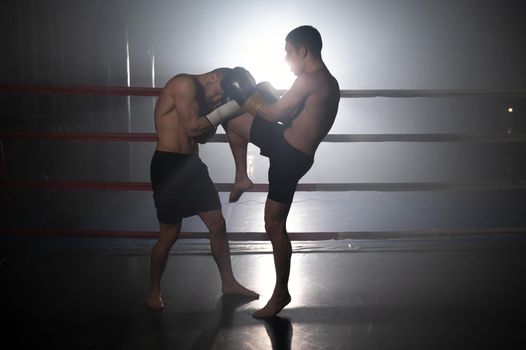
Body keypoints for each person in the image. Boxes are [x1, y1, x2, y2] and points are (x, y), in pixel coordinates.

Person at [220, 25, 341, 318]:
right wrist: (263, 97)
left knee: (273, 225)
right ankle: (241, 176)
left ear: (302, 51)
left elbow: (275, 114)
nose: (286, 58)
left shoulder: (308, 80)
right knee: (234, 121)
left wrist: (249, 95)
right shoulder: (328, 81)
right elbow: (288, 114)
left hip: (288, 154)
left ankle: (281, 293)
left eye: (288, 51)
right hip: (289, 147)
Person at [146, 67, 259, 311]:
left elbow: (202, 138)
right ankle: (153, 291)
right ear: (213, 77)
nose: (219, 98)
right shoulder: (183, 84)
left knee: (217, 224)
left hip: (191, 165)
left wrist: (220, 110)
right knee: (169, 233)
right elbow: (193, 129)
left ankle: (228, 283)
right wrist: (228, 108)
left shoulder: (207, 99)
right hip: (168, 165)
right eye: (220, 93)